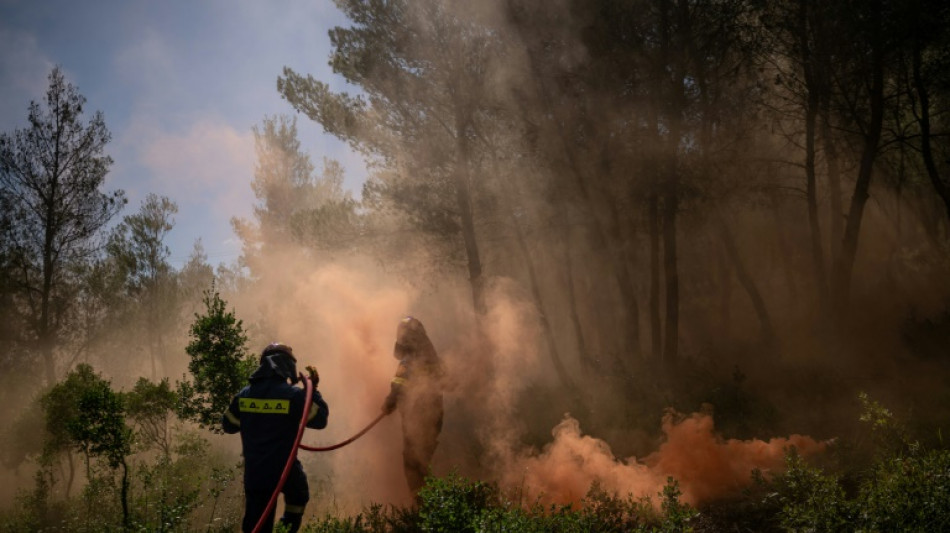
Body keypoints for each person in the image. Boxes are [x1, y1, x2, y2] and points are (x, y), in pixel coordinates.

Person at [223, 342, 328, 533]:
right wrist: (313, 389)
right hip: (285, 471)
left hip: (256, 473)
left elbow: (228, 426)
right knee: (298, 496)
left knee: (257, 523)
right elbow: (320, 420)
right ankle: (286, 529)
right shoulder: (294, 396)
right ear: (288, 366)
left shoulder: (244, 395)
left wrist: (254, 422)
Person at [381, 316, 444, 497]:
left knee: (413, 465)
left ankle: (424, 509)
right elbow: (448, 381)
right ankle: (433, 506)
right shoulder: (433, 360)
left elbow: (398, 385)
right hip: (435, 418)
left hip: (417, 420)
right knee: (422, 462)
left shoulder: (409, 360)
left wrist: (388, 403)